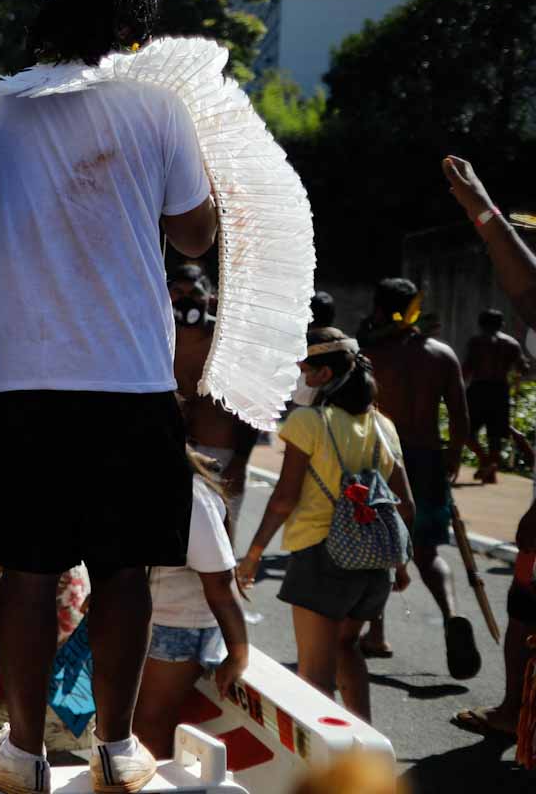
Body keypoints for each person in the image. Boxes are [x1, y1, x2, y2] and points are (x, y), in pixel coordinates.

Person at [0, 0, 217, 794]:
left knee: (27, 571)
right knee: (127, 569)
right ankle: (117, 749)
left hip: (23, 379)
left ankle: (23, 752)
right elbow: (196, 237)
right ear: (132, 36)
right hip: (133, 377)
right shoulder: (159, 108)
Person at [237, 329, 415, 721]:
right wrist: (399, 564)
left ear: (321, 375)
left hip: (321, 557)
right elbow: (406, 506)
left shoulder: (308, 422)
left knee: (314, 677)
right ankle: (364, 744)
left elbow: (284, 499)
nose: (298, 377)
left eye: (302, 369)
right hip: (374, 564)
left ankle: (327, 773)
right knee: (347, 649)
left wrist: (252, 555)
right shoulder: (383, 426)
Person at [441, 156, 536, 743]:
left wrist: (483, 209)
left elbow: (528, 288)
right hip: (500, 395)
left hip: (487, 393)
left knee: (526, 602)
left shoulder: (482, 343)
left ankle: (514, 713)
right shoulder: (504, 342)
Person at [352, 278, 481, 677]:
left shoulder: (369, 355)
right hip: (426, 460)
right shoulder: (441, 354)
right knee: (427, 552)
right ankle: (451, 613)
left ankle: (376, 633)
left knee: (376, 548)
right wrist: (453, 458)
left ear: (378, 308)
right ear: (415, 308)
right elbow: (461, 419)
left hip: (380, 460)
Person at [131, 451, 249, 758]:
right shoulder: (154, 482)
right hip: (153, 620)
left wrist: (238, 654)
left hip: (175, 627)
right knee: (139, 726)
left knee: (148, 728)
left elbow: (220, 583)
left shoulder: (190, 493)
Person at [172, 276, 253, 536]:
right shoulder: (157, 337)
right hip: (170, 453)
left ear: (211, 298)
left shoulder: (228, 342)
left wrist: (240, 461)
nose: (185, 299)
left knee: (220, 539)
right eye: (177, 291)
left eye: (194, 292)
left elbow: (248, 403)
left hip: (221, 456)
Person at [464, 308, 532, 480]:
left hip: (478, 389)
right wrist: (523, 366)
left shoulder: (476, 342)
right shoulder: (511, 344)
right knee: (495, 435)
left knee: (466, 431)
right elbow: (523, 369)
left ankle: (486, 461)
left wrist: (456, 388)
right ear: (501, 324)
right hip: (500, 390)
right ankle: (490, 467)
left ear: (481, 324)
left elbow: (467, 368)